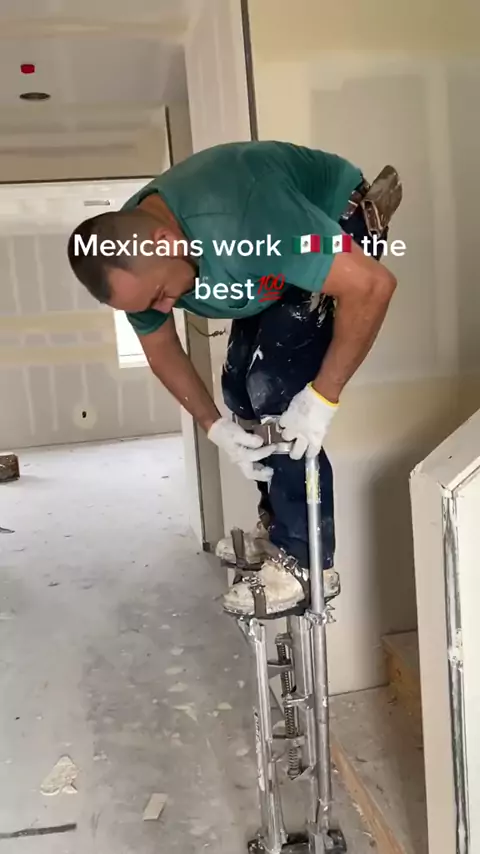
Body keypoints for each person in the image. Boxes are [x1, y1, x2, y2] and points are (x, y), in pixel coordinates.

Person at [67, 140, 399, 619]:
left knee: (274, 386)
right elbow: (161, 349)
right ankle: (279, 524)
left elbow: (372, 285)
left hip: (326, 221)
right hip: (263, 258)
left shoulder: (249, 218)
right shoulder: (132, 259)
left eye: (162, 295)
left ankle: (306, 561)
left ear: (166, 241)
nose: (165, 309)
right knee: (238, 389)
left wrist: (324, 397)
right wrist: (213, 426)